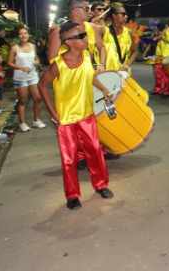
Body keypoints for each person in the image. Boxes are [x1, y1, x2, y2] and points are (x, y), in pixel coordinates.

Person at [38, 21, 114, 210]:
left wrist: (104, 90)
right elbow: (42, 85)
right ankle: (72, 195)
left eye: (84, 34)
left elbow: (90, 77)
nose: (86, 38)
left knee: (95, 152)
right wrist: (53, 113)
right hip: (66, 120)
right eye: (81, 36)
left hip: (87, 115)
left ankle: (101, 185)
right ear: (68, 42)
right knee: (69, 159)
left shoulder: (87, 57)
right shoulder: (58, 65)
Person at [48, 0, 107, 69]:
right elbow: (52, 59)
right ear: (75, 10)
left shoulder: (94, 28)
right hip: (69, 74)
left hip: (90, 73)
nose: (90, 12)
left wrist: (102, 65)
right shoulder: (59, 31)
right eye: (87, 9)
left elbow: (101, 48)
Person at [8, 27, 45, 131]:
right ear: (18, 36)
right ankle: (22, 123)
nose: (23, 35)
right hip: (20, 78)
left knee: (38, 98)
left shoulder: (33, 46)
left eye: (25, 33)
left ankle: (36, 120)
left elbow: (36, 58)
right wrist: (21, 68)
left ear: (28, 35)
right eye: (21, 34)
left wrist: (37, 62)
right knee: (23, 100)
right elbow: (9, 63)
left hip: (33, 76)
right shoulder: (15, 48)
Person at [104, 3, 138, 72]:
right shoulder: (104, 31)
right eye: (123, 14)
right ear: (114, 16)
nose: (126, 16)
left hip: (123, 73)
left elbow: (135, 51)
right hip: (107, 73)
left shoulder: (129, 33)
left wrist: (127, 65)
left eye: (126, 14)